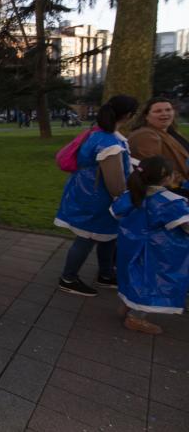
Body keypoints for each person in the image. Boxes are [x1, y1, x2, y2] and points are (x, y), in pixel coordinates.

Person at [54, 95, 139, 297]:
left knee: (108, 236)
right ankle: (68, 278)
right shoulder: (109, 142)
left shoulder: (97, 133)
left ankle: (106, 274)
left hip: (86, 191)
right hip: (97, 198)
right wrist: (124, 198)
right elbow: (115, 182)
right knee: (87, 237)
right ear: (128, 115)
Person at [112, 156, 189, 335]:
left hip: (130, 246)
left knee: (133, 276)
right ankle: (135, 318)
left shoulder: (131, 195)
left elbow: (116, 212)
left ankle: (127, 306)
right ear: (167, 177)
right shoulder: (169, 202)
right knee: (150, 283)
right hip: (157, 252)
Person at [128, 97, 189, 195]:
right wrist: (182, 183)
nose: (164, 113)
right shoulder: (145, 135)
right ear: (146, 116)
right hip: (170, 192)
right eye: (158, 111)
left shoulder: (169, 132)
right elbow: (153, 169)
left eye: (168, 110)